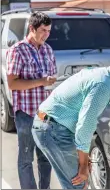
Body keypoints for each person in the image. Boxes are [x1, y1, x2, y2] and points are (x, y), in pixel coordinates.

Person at [31, 51, 110, 189]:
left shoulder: (101, 74)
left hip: (47, 125)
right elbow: (85, 126)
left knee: (80, 183)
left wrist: (84, 161)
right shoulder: (103, 85)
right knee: (78, 183)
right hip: (53, 129)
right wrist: (83, 164)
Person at [6, 12, 57, 189]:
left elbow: (50, 81)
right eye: (43, 30)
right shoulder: (17, 50)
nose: (46, 34)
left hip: (45, 114)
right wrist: (41, 81)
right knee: (26, 159)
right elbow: (12, 84)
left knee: (46, 158)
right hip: (26, 114)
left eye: (49, 31)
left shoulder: (48, 50)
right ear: (31, 29)